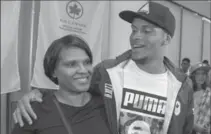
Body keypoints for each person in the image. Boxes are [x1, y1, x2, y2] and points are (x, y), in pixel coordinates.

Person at [13, 2, 194, 134]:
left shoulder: (182, 86)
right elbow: (72, 90)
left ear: (167, 39)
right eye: (134, 30)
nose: (136, 36)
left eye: (147, 31)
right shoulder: (107, 72)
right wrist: (37, 96)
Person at [12, 35, 111, 134]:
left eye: (87, 62)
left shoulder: (107, 105)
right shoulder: (33, 112)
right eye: (71, 64)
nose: (83, 70)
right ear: (53, 71)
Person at [190, 63, 211, 134]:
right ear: (193, 76)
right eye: (198, 74)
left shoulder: (208, 94)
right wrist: (195, 126)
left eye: (203, 74)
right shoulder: (187, 93)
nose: (201, 77)